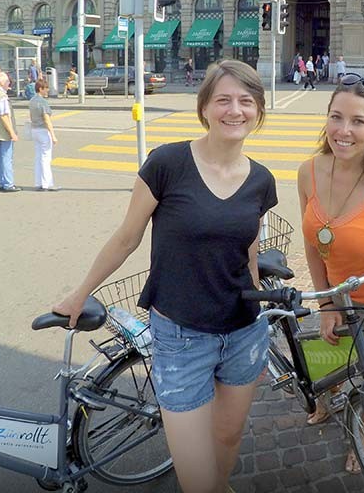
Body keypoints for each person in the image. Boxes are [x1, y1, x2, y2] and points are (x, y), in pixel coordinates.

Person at [53, 60, 278, 493]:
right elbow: (126, 238)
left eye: (246, 101)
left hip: (244, 332)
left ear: (259, 110)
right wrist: (80, 294)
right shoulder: (168, 163)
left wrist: (259, 305)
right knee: (194, 475)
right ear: (205, 108)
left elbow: (247, 250)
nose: (235, 110)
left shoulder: (262, 180)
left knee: (228, 438)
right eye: (224, 100)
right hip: (180, 336)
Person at [296, 74, 364, 469]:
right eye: (336, 117)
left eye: (358, 121)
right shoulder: (308, 171)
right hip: (336, 294)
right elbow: (312, 244)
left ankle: (362, 436)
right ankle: (326, 403)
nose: (344, 130)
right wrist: (326, 302)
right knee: (327, 361)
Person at [0, 71, 20, 192]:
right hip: (4, 131)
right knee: (6, 158)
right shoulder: (2, 96)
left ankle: (1, 182)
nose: (8, 84)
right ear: (2, 82)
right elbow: (4, 115)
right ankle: (8, 184)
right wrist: (12, 132)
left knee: (0, 158)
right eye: (7, 82)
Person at [29, 78, 59, 191]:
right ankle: (47, 183)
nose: (47, 90)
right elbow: (47, 120)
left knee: (38, 157)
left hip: (34, 130)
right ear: (40, 89)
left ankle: (38, 182)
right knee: (46, 158)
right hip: (42, 131)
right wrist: (53, 136)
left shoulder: (32, 101)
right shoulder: (43, 102)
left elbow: (31, 117)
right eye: (46, 88)